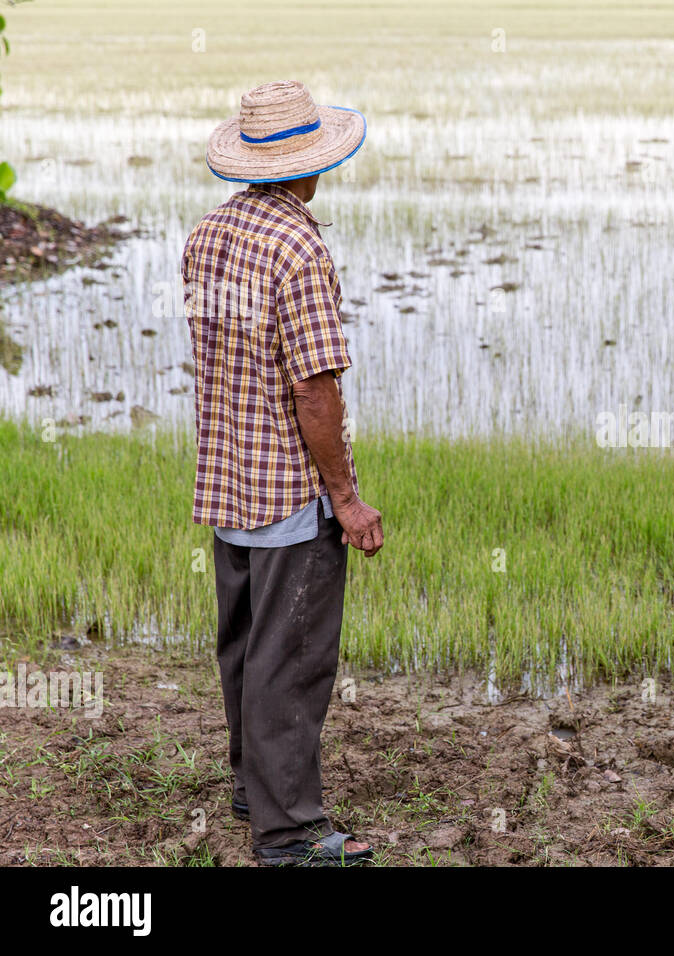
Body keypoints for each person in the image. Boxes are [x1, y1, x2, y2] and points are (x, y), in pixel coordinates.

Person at [183, 80, 383, 866]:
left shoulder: (207, 236)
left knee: (243, 648)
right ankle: (289, 832)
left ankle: (251, 786)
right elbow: (313, 386)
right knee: (291, 661)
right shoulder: (298, 248)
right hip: (290, 497)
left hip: (229, 483)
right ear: (310, 165)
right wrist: (347, 498)